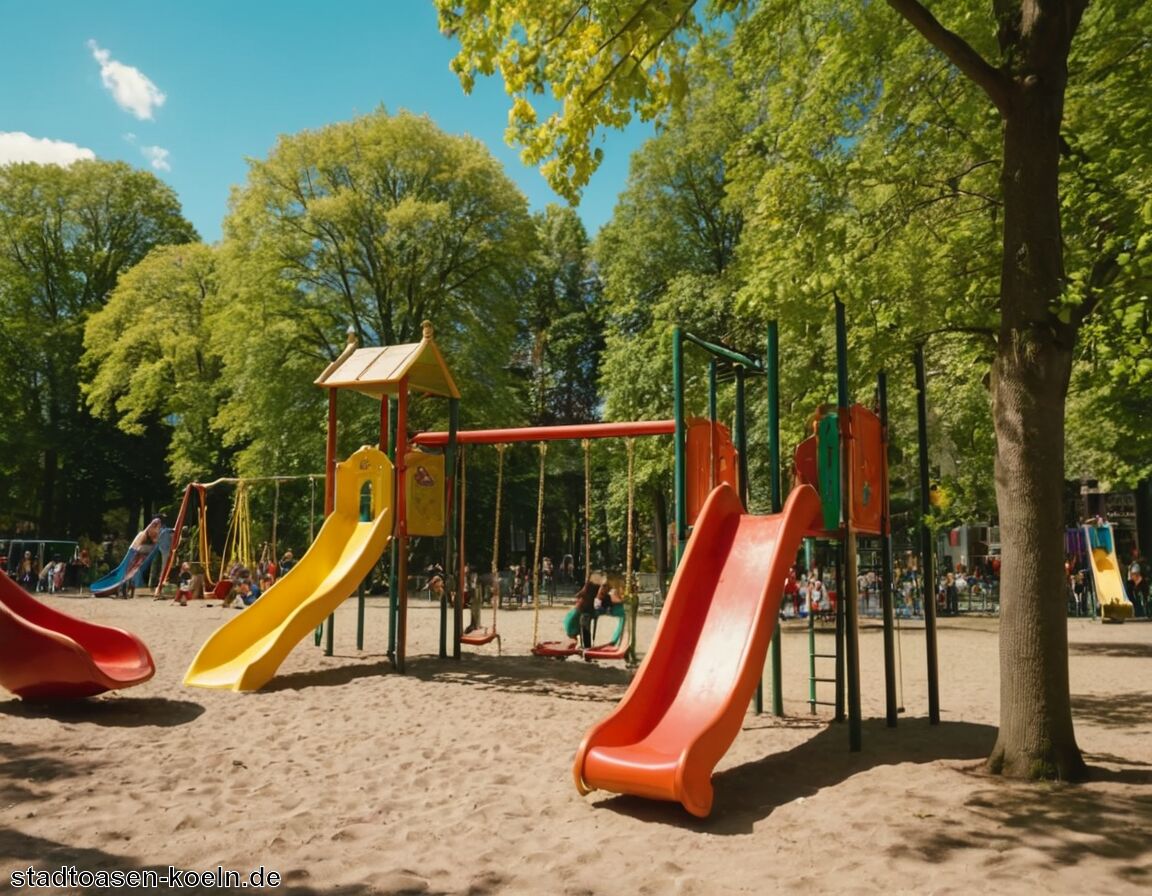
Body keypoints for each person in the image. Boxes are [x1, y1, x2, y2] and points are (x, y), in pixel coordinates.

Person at [119, 518, 163, 599]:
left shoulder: (147, 531)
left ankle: (127, 592)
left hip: (137, 549)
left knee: (131, 572)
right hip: (136, 550)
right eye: (158, 526)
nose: (159, 528)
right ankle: (124, 591)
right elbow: (154, 541)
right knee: (130, 572)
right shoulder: (149, 531)